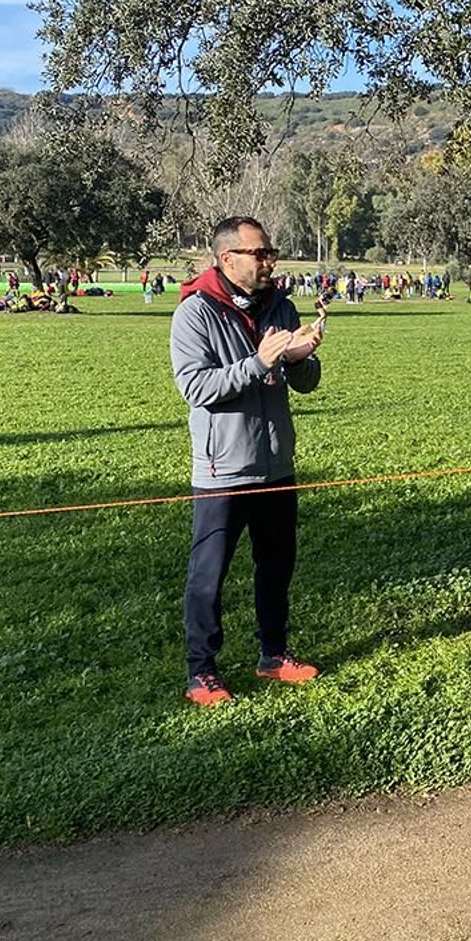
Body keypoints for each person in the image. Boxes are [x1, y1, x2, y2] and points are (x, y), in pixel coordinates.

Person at [170, 217, 324, 707]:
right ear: (227, 258)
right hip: (223, 470)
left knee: (276, 565)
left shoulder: (280, 303)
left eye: (270, 252)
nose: (268, 261)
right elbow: (195, 388)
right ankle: (201, 672)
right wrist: (258, 363)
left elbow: (306, 383)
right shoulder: (195, 313)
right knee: (208, 574)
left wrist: (300, 358)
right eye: (258, 253)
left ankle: (273, 655)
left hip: (276, 464)